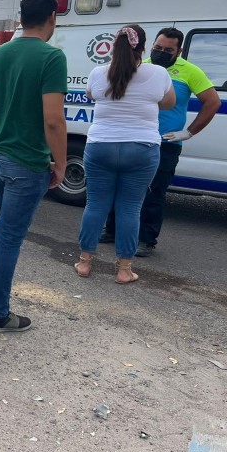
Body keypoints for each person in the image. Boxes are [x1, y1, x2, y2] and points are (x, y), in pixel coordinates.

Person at [0, 0, 67, 333]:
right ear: (52, 17)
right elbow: (53, 120)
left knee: (3, 225)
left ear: (21, 17)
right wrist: (61, 164)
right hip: (26, 162)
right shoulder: (52, 58)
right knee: (10, 235)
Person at [100, 28, 221, 257]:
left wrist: (189, 132)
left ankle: (146, 239)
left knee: (154, 192)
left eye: (168, 50)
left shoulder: (190, 72)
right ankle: (112, 230)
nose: (161, 53)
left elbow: (213, 102)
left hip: (166, 142)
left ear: (179, 51)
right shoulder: (142, 65)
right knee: (122, 186)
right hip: (136, 137)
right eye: (157, 48)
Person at [74, 25, 175, 284]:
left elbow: (91, 95)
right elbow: (168, 103)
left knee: (95, 205)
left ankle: (85, 263)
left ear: (113, 46)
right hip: (142, 149)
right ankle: (124, 269)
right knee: (130, 208)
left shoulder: (98, 73)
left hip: (101, 147)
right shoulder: (159, 73)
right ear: (143, 47)